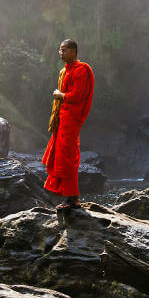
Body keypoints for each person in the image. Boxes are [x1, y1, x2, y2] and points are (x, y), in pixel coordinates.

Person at [42, 38, 94, 210]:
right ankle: (68, 197)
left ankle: (72, 199)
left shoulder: (81, 71)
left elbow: (78, 95)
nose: (61, 53)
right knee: (62, 156)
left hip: (72, 119)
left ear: (73, 51)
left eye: (64, 50)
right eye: (60, 50)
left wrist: (60, 95)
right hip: (62, 119)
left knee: (68, 157)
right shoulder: (64, 71)